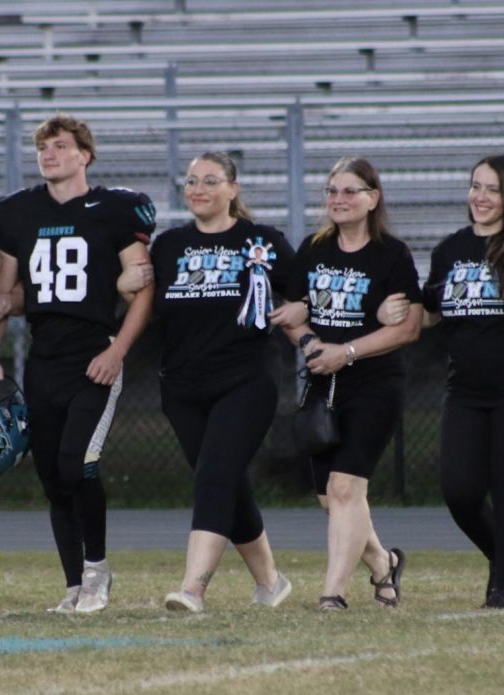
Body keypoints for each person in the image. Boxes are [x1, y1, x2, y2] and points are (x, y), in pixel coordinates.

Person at [0, 113, 155, 613]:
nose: (48, 154)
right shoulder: (18, 212)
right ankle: (74, 584)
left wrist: (117, 352)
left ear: (84, 155)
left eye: (59, 146)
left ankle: (97, 571)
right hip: (43, 357)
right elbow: (3, 292)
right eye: (42, 147)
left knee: (79, 464)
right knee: (52, 477)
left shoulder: (115, 209)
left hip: (93, 353)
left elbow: (143, 287)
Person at [411, 155, 504, 609]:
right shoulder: (449, 250)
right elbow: (430, 312)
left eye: (492, 189)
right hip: (468, 389)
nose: (480, 197)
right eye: (475, 186)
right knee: (459, 491)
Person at [150, 152, 298, 614]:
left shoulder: (262, 241)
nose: (198, 188)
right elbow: (145, 302)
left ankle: (193, 588)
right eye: (191, 181)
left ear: (233, 189)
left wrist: (302, 310)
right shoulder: (168, 245)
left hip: (246, 378)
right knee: (224, 482)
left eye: (210, 180)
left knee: (214, 476)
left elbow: (306, 291)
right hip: (182, 386)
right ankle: (271, 582)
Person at [277, 157, 421, 611]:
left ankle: (332, 594)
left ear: (372, 198)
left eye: (349, 191)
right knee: (329, 497)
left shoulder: (391, 254)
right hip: (324, 384)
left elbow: (408, 328)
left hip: (374, 384)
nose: (338, 200)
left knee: (345, 489)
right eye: (332, 191)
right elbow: (290, 315)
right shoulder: (314, 248)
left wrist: (349, 351)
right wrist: (309, 342)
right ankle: (383, 563)